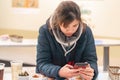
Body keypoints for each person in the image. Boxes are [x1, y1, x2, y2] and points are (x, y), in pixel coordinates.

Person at [36, 1, 98, 80]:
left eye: (75, 25)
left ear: (79, 21)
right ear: (58, 22)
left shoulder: (86, 32)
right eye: (65, 26)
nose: (70, 30)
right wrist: (58, 72)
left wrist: (91, 72)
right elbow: (42, 63)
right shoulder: (45, 31)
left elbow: (91, 60)